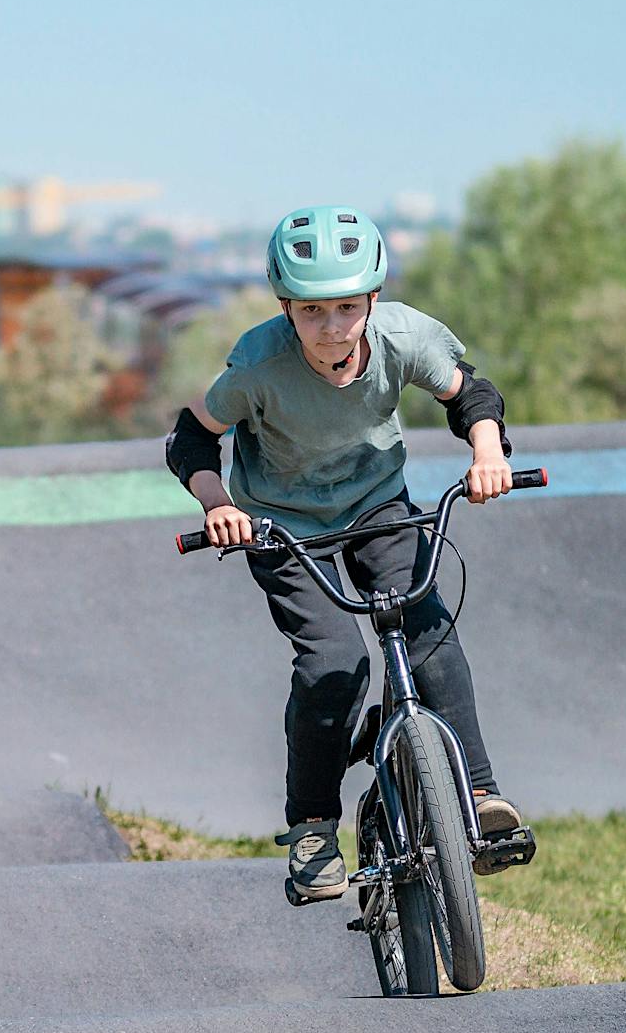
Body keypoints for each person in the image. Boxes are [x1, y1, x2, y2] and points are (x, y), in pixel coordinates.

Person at [165, 205, 523, 902]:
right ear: (285, 309)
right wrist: (220, 506)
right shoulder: (258, 365)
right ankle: (312, 829)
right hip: (280, 526)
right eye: (312, 311)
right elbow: (190, 436)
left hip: (377, 507)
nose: (332, 327)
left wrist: (486, 450)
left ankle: (479, 798)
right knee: (335, 662)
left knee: (429, 635)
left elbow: (471, 393)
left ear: (373, 300)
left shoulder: (402, 338)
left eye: (347, 308)